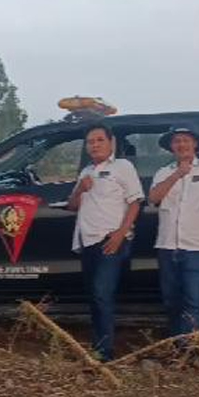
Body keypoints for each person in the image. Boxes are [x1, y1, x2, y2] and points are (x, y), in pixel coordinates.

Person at [67, 124, 144, 361]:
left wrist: (121, 234)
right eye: (90, 142)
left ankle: (105, 353)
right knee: (94, 296)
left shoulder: (122, 167)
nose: (95, 145)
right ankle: (98, 345)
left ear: (111, 143)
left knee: (102, 294)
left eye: (100, 140)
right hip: (87, 241)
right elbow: (72, 206)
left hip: (110, 240)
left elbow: (135, 202)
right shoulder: (86, 171)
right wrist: (80, 189)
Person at [148, 125, 199, 337]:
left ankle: (192, 349)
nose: (181, 144)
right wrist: (177, 174)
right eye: (176, 141)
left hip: (197, 247)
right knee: (171, 300)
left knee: (193, 300)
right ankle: (178, 345)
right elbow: (154, 198)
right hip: (167, 246)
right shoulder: (164, 172)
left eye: (186, 140)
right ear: (171, 146)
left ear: (195, 143)